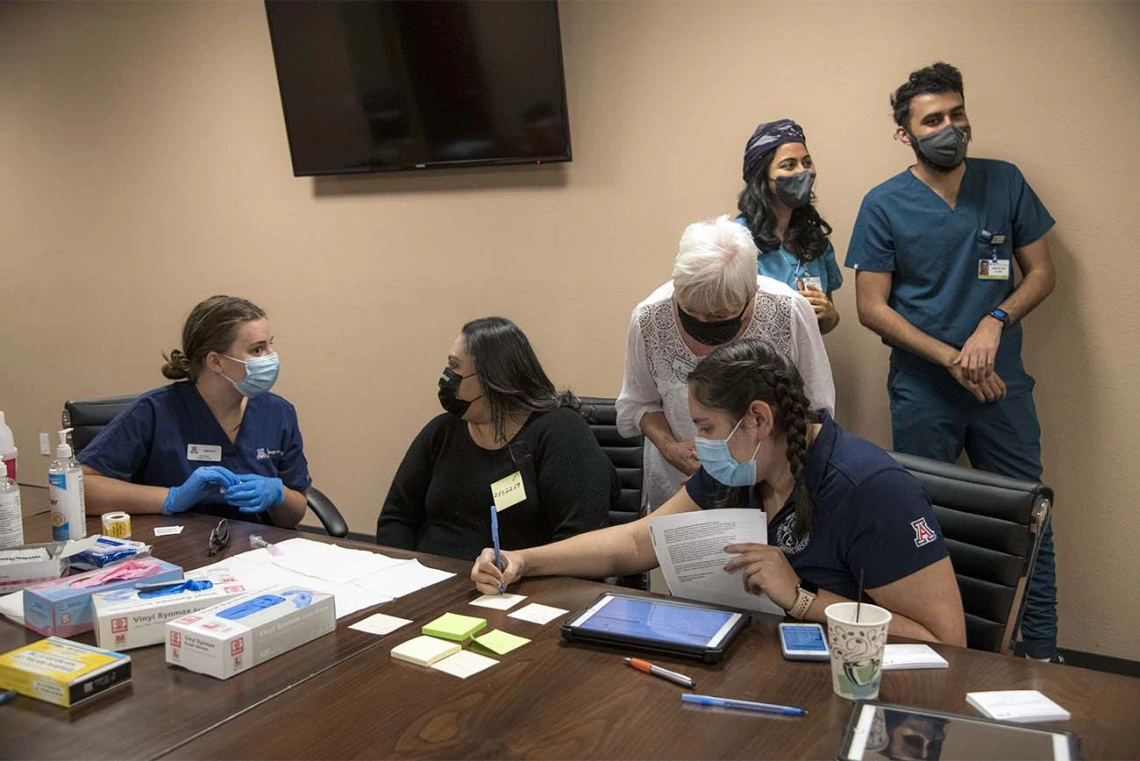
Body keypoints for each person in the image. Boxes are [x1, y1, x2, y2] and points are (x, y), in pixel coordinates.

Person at [474, 339, 966, 646]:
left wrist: (801, 599)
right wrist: (524, 560)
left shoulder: (871, 491)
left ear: (758, 418)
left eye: (708, 428)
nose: (699, 444)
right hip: (752, 662)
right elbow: (638, 542)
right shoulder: (743, 466)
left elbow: (946, 640)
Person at [845, 62, 1058, 660]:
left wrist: (994, 322)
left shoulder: (1006, 182)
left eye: (956, 113)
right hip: (925, 393)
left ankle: (1041, 652)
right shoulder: (884, 204)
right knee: (923, 529)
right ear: (905, 134)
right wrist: (951, 357)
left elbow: (1042, 272)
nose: (949, 128)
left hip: (1002, 390)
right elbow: (870, 308)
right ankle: (944, 654)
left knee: (1029, 521)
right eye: (932, 119)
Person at [616, 215, 835, 512]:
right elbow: (638, 402)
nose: (703, 322)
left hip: (773, 491)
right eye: (690, 310)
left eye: (719, 316)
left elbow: (816, 411)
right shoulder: (650, 317)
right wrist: (670, 448)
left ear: (750, 294)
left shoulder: (789, 311)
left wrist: (758, 468)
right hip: (680, 487)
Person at [376, 317, 616, 561]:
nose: (446, 377)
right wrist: (404, 575)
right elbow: (396, 518)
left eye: (455, 367)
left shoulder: (559, 432)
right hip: (429, 585)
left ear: (491, 378)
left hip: (515, 588)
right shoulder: (442, 431)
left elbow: (580, 540)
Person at [80, 295, 310, 527]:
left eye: (271, 344)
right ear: (216, 361)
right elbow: (80, 489)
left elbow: (295, 511)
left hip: (257, 549)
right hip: (178, 549)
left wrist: (278, 494)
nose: (271, 357)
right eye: (258, 350)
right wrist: (171, 498)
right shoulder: (156, 411)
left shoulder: (278, 412)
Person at [737, 118, 842, 334]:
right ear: (762, 178)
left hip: (805, 363)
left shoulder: (814, 238)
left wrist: (829, 314)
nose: (802, 172)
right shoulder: (736, 240)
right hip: (756, 363)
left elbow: (825, 325)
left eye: (806, 162)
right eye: (789, 165)